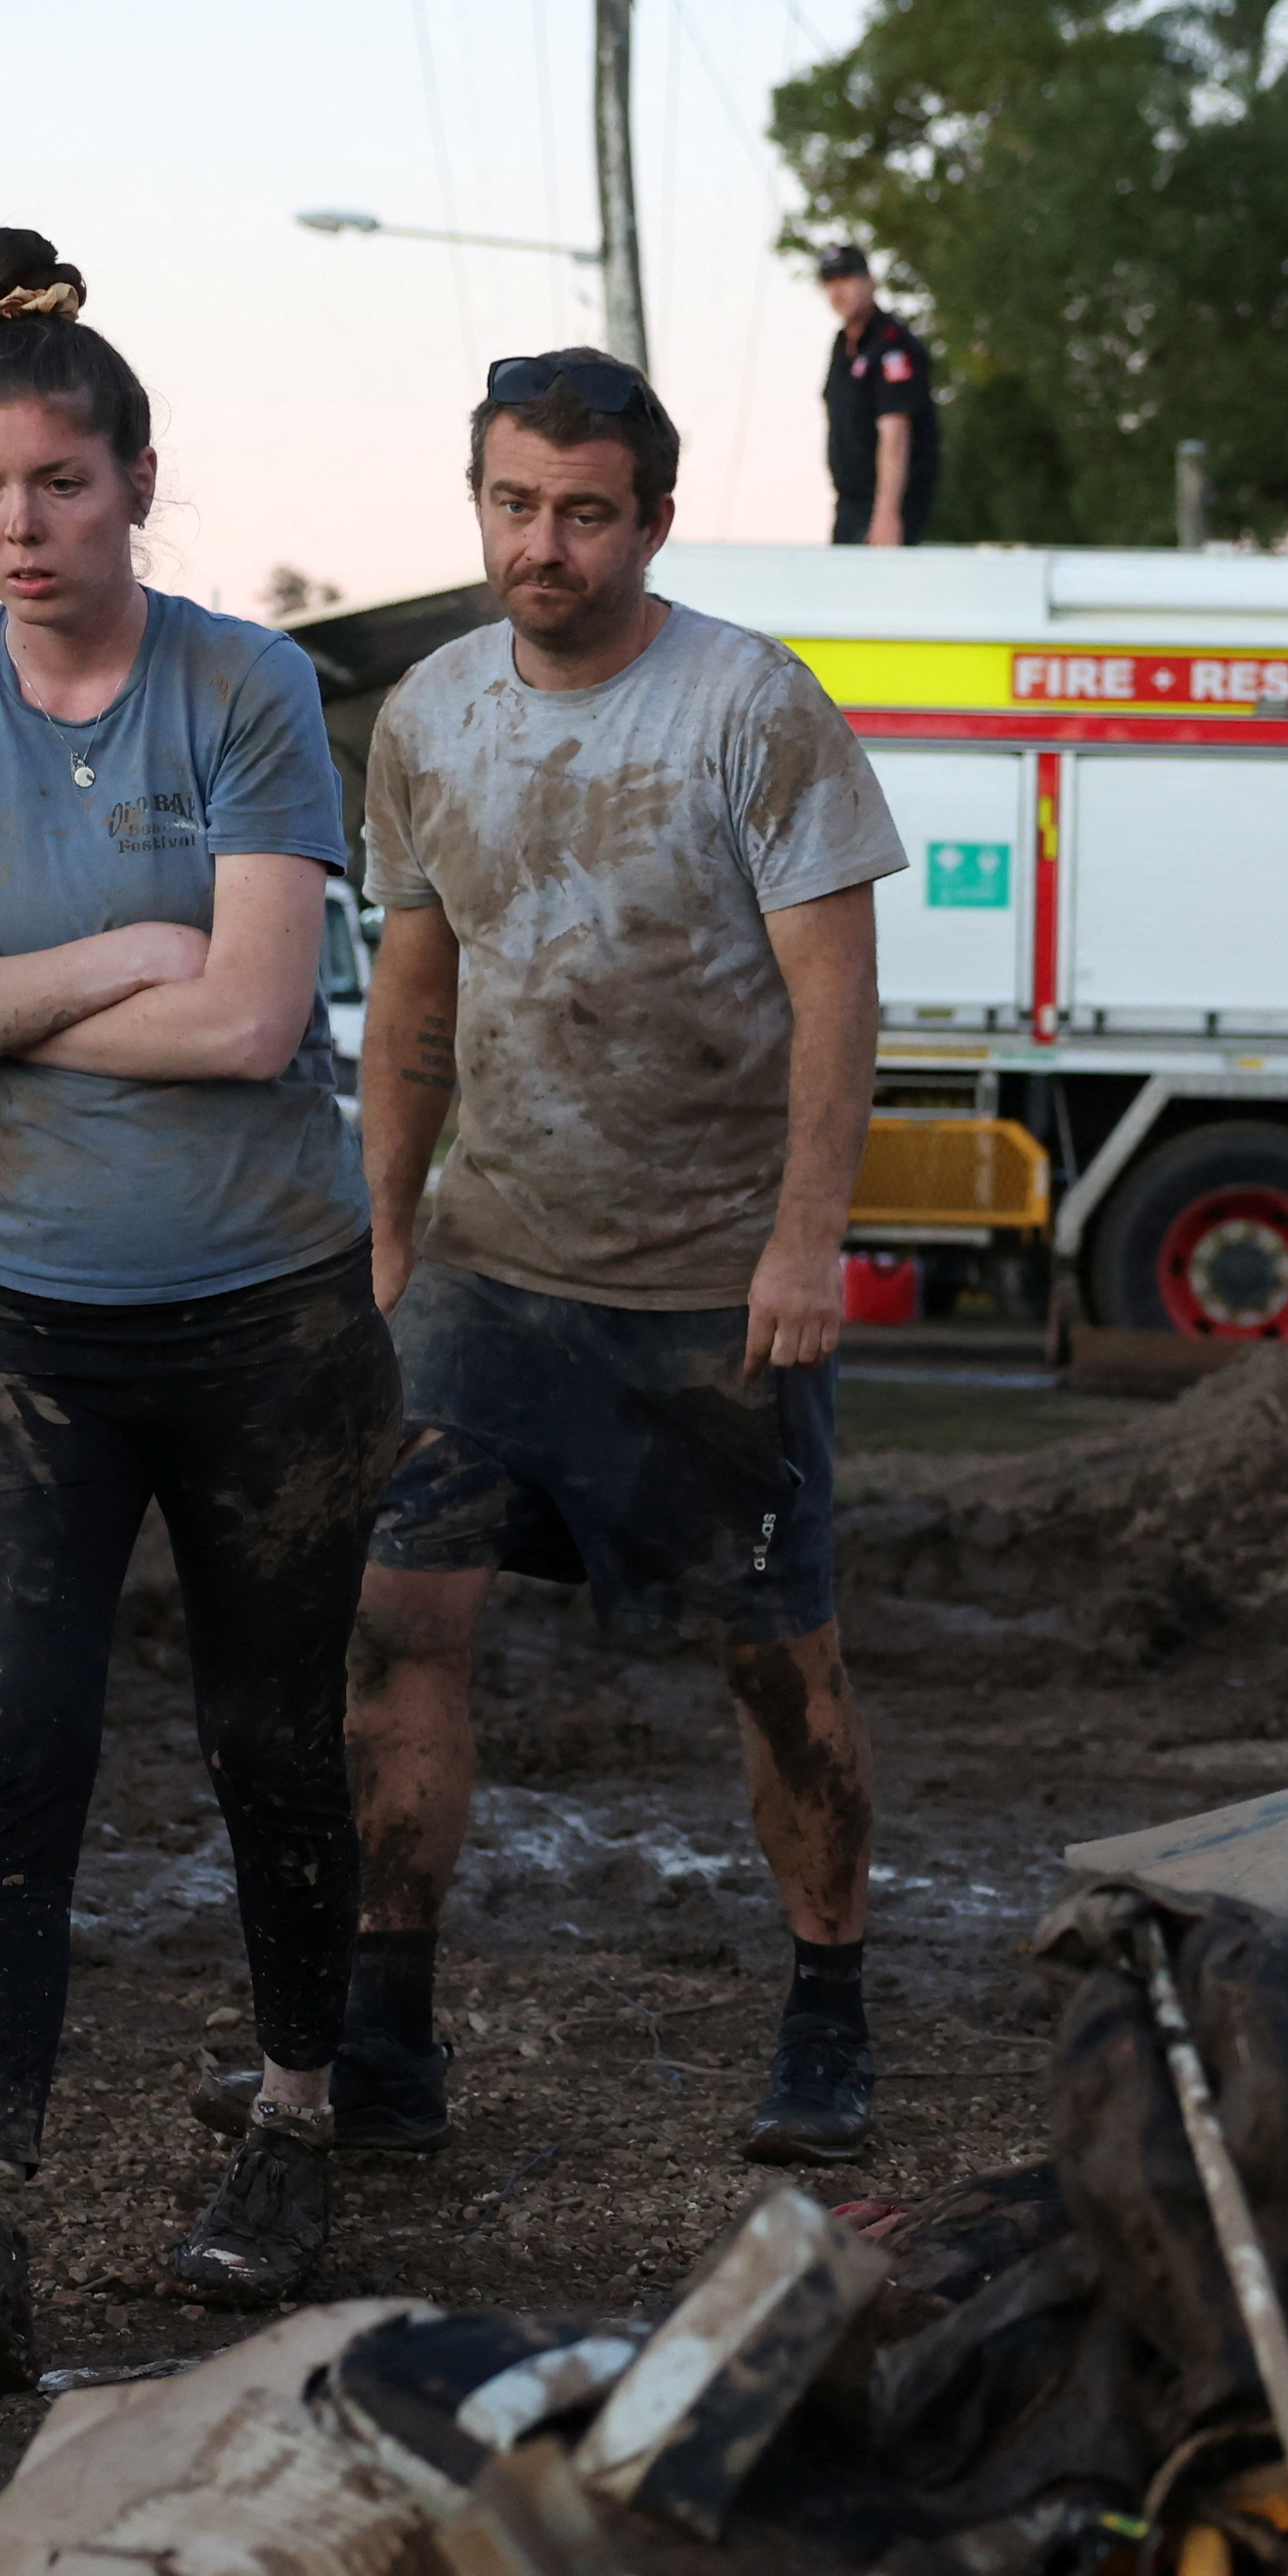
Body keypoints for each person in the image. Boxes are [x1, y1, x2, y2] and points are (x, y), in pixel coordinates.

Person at [0, 226, 398, 2380]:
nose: (22, 526)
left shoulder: (243, 689)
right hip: (20, 1326)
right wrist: (109, 962)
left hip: (268, 1316)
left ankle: (293, 2112)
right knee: (17, 1738)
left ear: (140, 478)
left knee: (270, 1735)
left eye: (61, 483)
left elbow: (257, 1026)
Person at [344, 349, 907, 2164]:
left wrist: (806, 1245)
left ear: (651, 520)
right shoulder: (427, 716)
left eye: (585, 512)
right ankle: (388, 2035)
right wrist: (385, 1239)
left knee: (774, 1659)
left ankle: (827, 2014)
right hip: (486, 1275)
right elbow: (409, 1001)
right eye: (515, 504)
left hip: (709, 1293)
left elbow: (838, 999)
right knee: (398, 1626)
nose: (546, 544)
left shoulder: (751, 707)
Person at [816, 245, 937, 548]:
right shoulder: (843, 344)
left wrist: (886, 515)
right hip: (850, 503)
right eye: (829, 283)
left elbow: (895, 433)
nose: (837, 292)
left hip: (887, 504)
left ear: (870, 282)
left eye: (846, 279)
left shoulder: (891, 345)